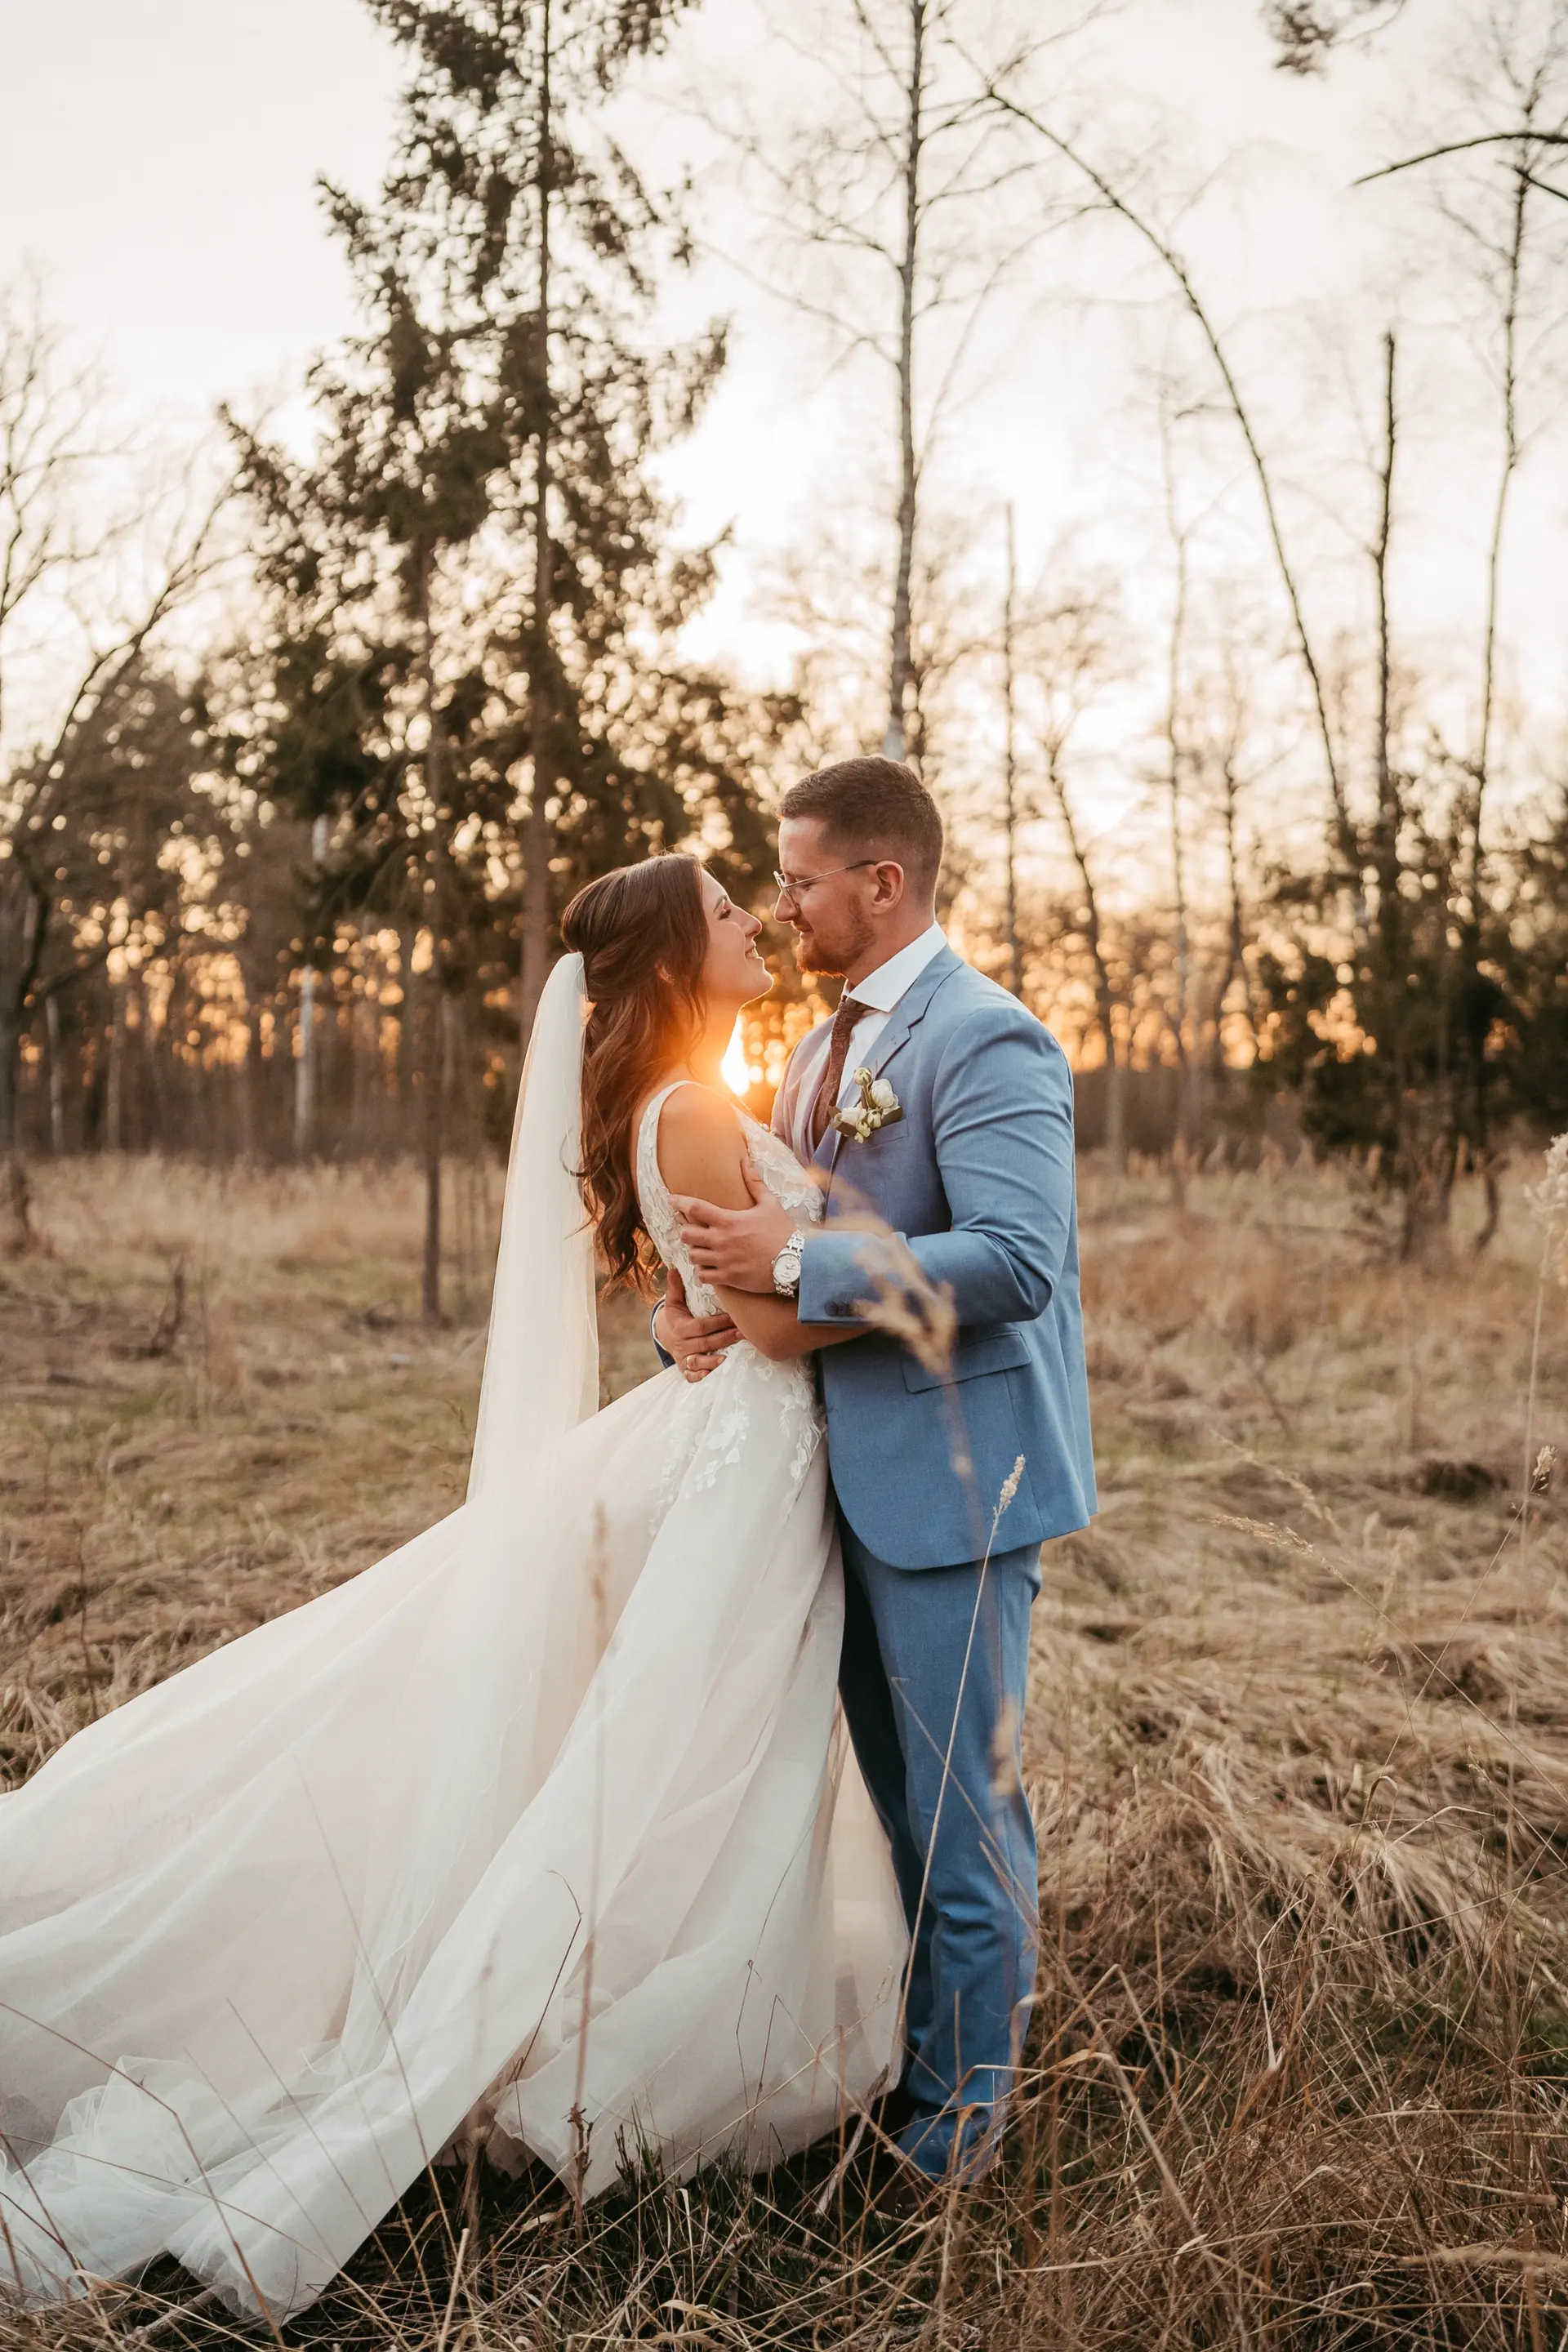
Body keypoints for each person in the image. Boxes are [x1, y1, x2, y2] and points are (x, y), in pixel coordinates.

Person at [0, 854, 906, 2323]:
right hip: (748, 1464)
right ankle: (627, 2034)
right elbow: (771, 1330)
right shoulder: (684, 1106)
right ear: (679, 955)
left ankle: (699, 2000)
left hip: (750, 1456)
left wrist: (728, 1301)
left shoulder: (686, 1093)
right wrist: (885, 1277)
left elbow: (702, 1309)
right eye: (729, 912)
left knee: (716, 1746)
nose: (753, 924)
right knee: (692, 1742)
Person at [655, 756, 1096, 2184]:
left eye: (798, 880)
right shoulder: (813, 1053)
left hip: (959, 1489)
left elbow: (1019, 1261)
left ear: (882, 882)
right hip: (838, 1481)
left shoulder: (991, 1040)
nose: (781, 909)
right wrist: (697, 1321)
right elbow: (769, 1257)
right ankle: (921, 2066)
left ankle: (959, 2145)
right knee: (903, 1806)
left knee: (965, 1813)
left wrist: (798, 1258)